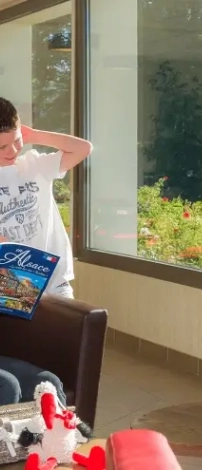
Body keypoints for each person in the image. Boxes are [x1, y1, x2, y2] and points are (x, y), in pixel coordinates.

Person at [0, 97, 92, 405]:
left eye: (16, 141)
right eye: (2, 147)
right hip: (13, 284)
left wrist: (35, 135)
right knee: (27, 359)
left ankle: (59, 428)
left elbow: (82, 148)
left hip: (55, 282)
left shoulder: (35, 164)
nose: (12, 151)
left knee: (64, 364)